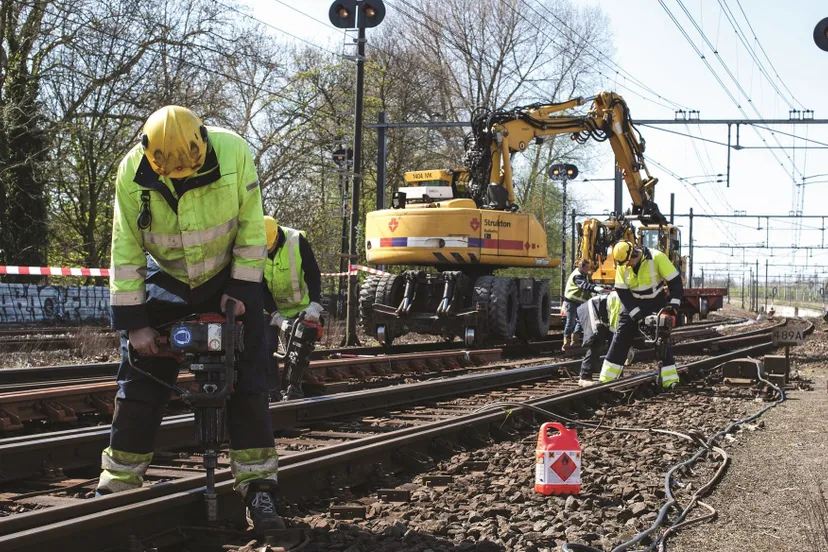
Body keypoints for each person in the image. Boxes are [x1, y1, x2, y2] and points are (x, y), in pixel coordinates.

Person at [102, 106, 283, 534]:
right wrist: (135, 323)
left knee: (248, 383)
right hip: (169, 280)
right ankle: (117, 486)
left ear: (203, 142)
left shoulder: (235, 152)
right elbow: (125, 251)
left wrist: (241, 291)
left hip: (228, 278)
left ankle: (259, 489)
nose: (181, 177)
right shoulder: (131, 173)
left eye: (189, 168)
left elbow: (252, 228)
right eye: (172, 173)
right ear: (151, 158)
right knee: (139, 385)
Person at [599, 241, 683, 389]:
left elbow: (675, 282)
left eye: (628, 263)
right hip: (632, 302)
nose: (627, 266)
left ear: (634, 254)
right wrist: (635, 313)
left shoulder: (657, 258)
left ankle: (670, 381)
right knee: (620, 338)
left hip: (655, 303)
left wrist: (674, 305)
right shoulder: (622, 264)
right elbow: (622, 290)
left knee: (661, 341)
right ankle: (606, 380)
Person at [263, 216, 323, 400]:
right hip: (271, 308)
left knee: (299, 348)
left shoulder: (297, 241)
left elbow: (313, 273)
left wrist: (315, 304)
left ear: (276, 237)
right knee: (266, 347)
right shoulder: (253, 246)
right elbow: (259, 286)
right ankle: (271, 392)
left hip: (301, 307)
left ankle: (292, 388)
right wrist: (275, 315)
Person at [575, 291, 622, 387]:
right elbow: (615, 327)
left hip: (603, 314)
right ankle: (584, 376)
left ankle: (616, 375)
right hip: (592, 309)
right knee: (597, 342)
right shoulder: (621, 304)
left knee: (614, 344)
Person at [562, 258, 606, 351]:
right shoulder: (577, 276)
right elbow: (584, 286)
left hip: (580, 302)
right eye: (587, 267)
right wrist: (596, 289)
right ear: (582, 267)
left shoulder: (584, 275)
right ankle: (566, 341)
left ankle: (575, 340)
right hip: (571, 301)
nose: (588, 269)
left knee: (581, 321)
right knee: (571, 322)